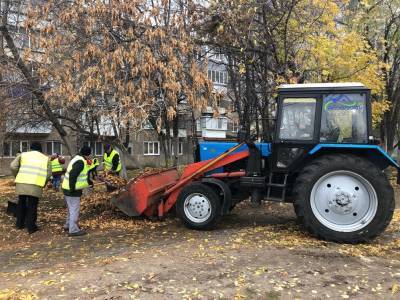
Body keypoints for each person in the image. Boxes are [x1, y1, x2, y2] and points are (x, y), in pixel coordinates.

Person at [10, 142, 51, 234]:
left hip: (22, 183)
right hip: (36, 184)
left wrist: (17, 176)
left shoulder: (23, 155)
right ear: (40, 149)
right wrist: (43, 183)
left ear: (30, 148)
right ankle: (31, 227)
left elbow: (13, 166)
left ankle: (19, 224)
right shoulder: (45, 159)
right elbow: (48, 174)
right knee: (33, 205)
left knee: (21, 203)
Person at [62, 146, 93, 237]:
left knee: (70, 209)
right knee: (74, 209)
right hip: (72, 190)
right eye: (90, 154)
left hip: (67, 188)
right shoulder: (80, 162)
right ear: (87, 154)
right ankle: (73, 230)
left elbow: (81, 175)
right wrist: (72, 189)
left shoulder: (77, 158)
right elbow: (73, 175)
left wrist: (89, 182)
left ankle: (68, 225)